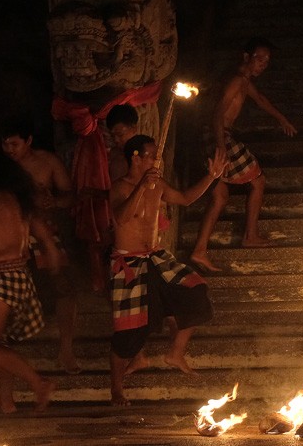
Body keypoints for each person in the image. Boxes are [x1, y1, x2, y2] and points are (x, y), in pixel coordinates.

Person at [109, 135, 226, 406]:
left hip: (156, 257)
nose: (156, 160)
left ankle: (175, 353)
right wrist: (141, 185)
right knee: (128, 333)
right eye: (151, 155)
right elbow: (121, 217)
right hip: (129, 262)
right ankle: (116, 389)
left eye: (157, 156)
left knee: (195, 292)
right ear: (135, 157)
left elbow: (184, 199)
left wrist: (211, 177)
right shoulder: (120, 188)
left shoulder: (158, 184)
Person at [191, 37, 297, 272]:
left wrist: (282, 119)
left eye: (267, 60)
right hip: (217, 135)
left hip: (211, 136)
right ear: (246, 57)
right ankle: (250, 235)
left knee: (219, 197)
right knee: (258, 180)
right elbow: (218, 113)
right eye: (259, 59)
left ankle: (199, 250)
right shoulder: (236, 81)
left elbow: (260, 100)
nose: (263, 64)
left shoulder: (244, 81)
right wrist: (222, 148)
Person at [0, 146, 57, 413]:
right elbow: (42, 233)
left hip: (2, 278)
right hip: (14, 276)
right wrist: (50, 254)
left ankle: (38, 382)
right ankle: (6, 401)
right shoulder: (19, 199)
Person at [1, 120, 83, 374]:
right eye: (4, 144)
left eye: (14, 144)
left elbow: (70, 195)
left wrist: (53, 203)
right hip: (10, 238)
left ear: (28, 141)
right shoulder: (0, 168)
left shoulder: (47, 162)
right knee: (0, 295)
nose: (9, 149)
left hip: (44, 235)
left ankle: (66, 350)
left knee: (64, 287)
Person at [106, 104, 140, 182]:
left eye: (120, 134)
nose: (116, 140)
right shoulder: (113, 154)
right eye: (113, 136)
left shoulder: (144, 155)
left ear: (134, 128)